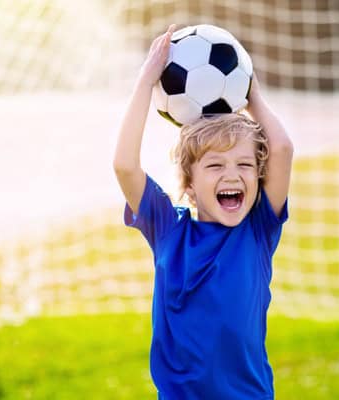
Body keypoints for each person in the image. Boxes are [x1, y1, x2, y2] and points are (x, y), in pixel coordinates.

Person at [113, 24, 293, 399]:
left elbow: (282, 149)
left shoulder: (258, 231)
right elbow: (125, 166)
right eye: (215, 166)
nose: (233, 175)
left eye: (244, 165)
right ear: (189, 184)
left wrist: (252, 93)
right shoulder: (167, 230)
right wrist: (146, 82)